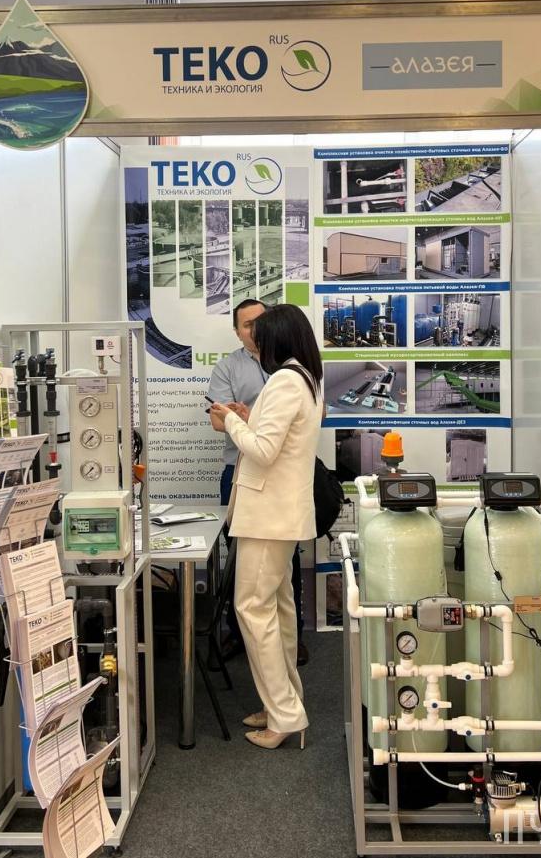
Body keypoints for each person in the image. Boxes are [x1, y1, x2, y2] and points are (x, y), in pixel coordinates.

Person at [210, 304, 323, 749]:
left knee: (253, 610)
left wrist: (231, 420)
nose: (255, 340)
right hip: (281, 516)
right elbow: (278, 439)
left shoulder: (283, 381)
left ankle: (285, 714)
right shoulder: (305, 378)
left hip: (267, 517)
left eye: (261, 333)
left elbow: (262, 450)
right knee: (277, 610)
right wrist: (247, 417)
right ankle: (284, 703)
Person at [207, 299, 308, 665]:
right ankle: (242, 636)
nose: (255, 329)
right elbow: (217, 420)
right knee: (241, 564)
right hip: (240, 473)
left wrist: (244, 419)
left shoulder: (288, 371)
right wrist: (243, 419)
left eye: (260, 321)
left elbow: (279, 433)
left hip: (278, 478)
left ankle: (290, 640)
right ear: (237, 332)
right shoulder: (228, 367)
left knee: (282, 569)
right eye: (247, 324)